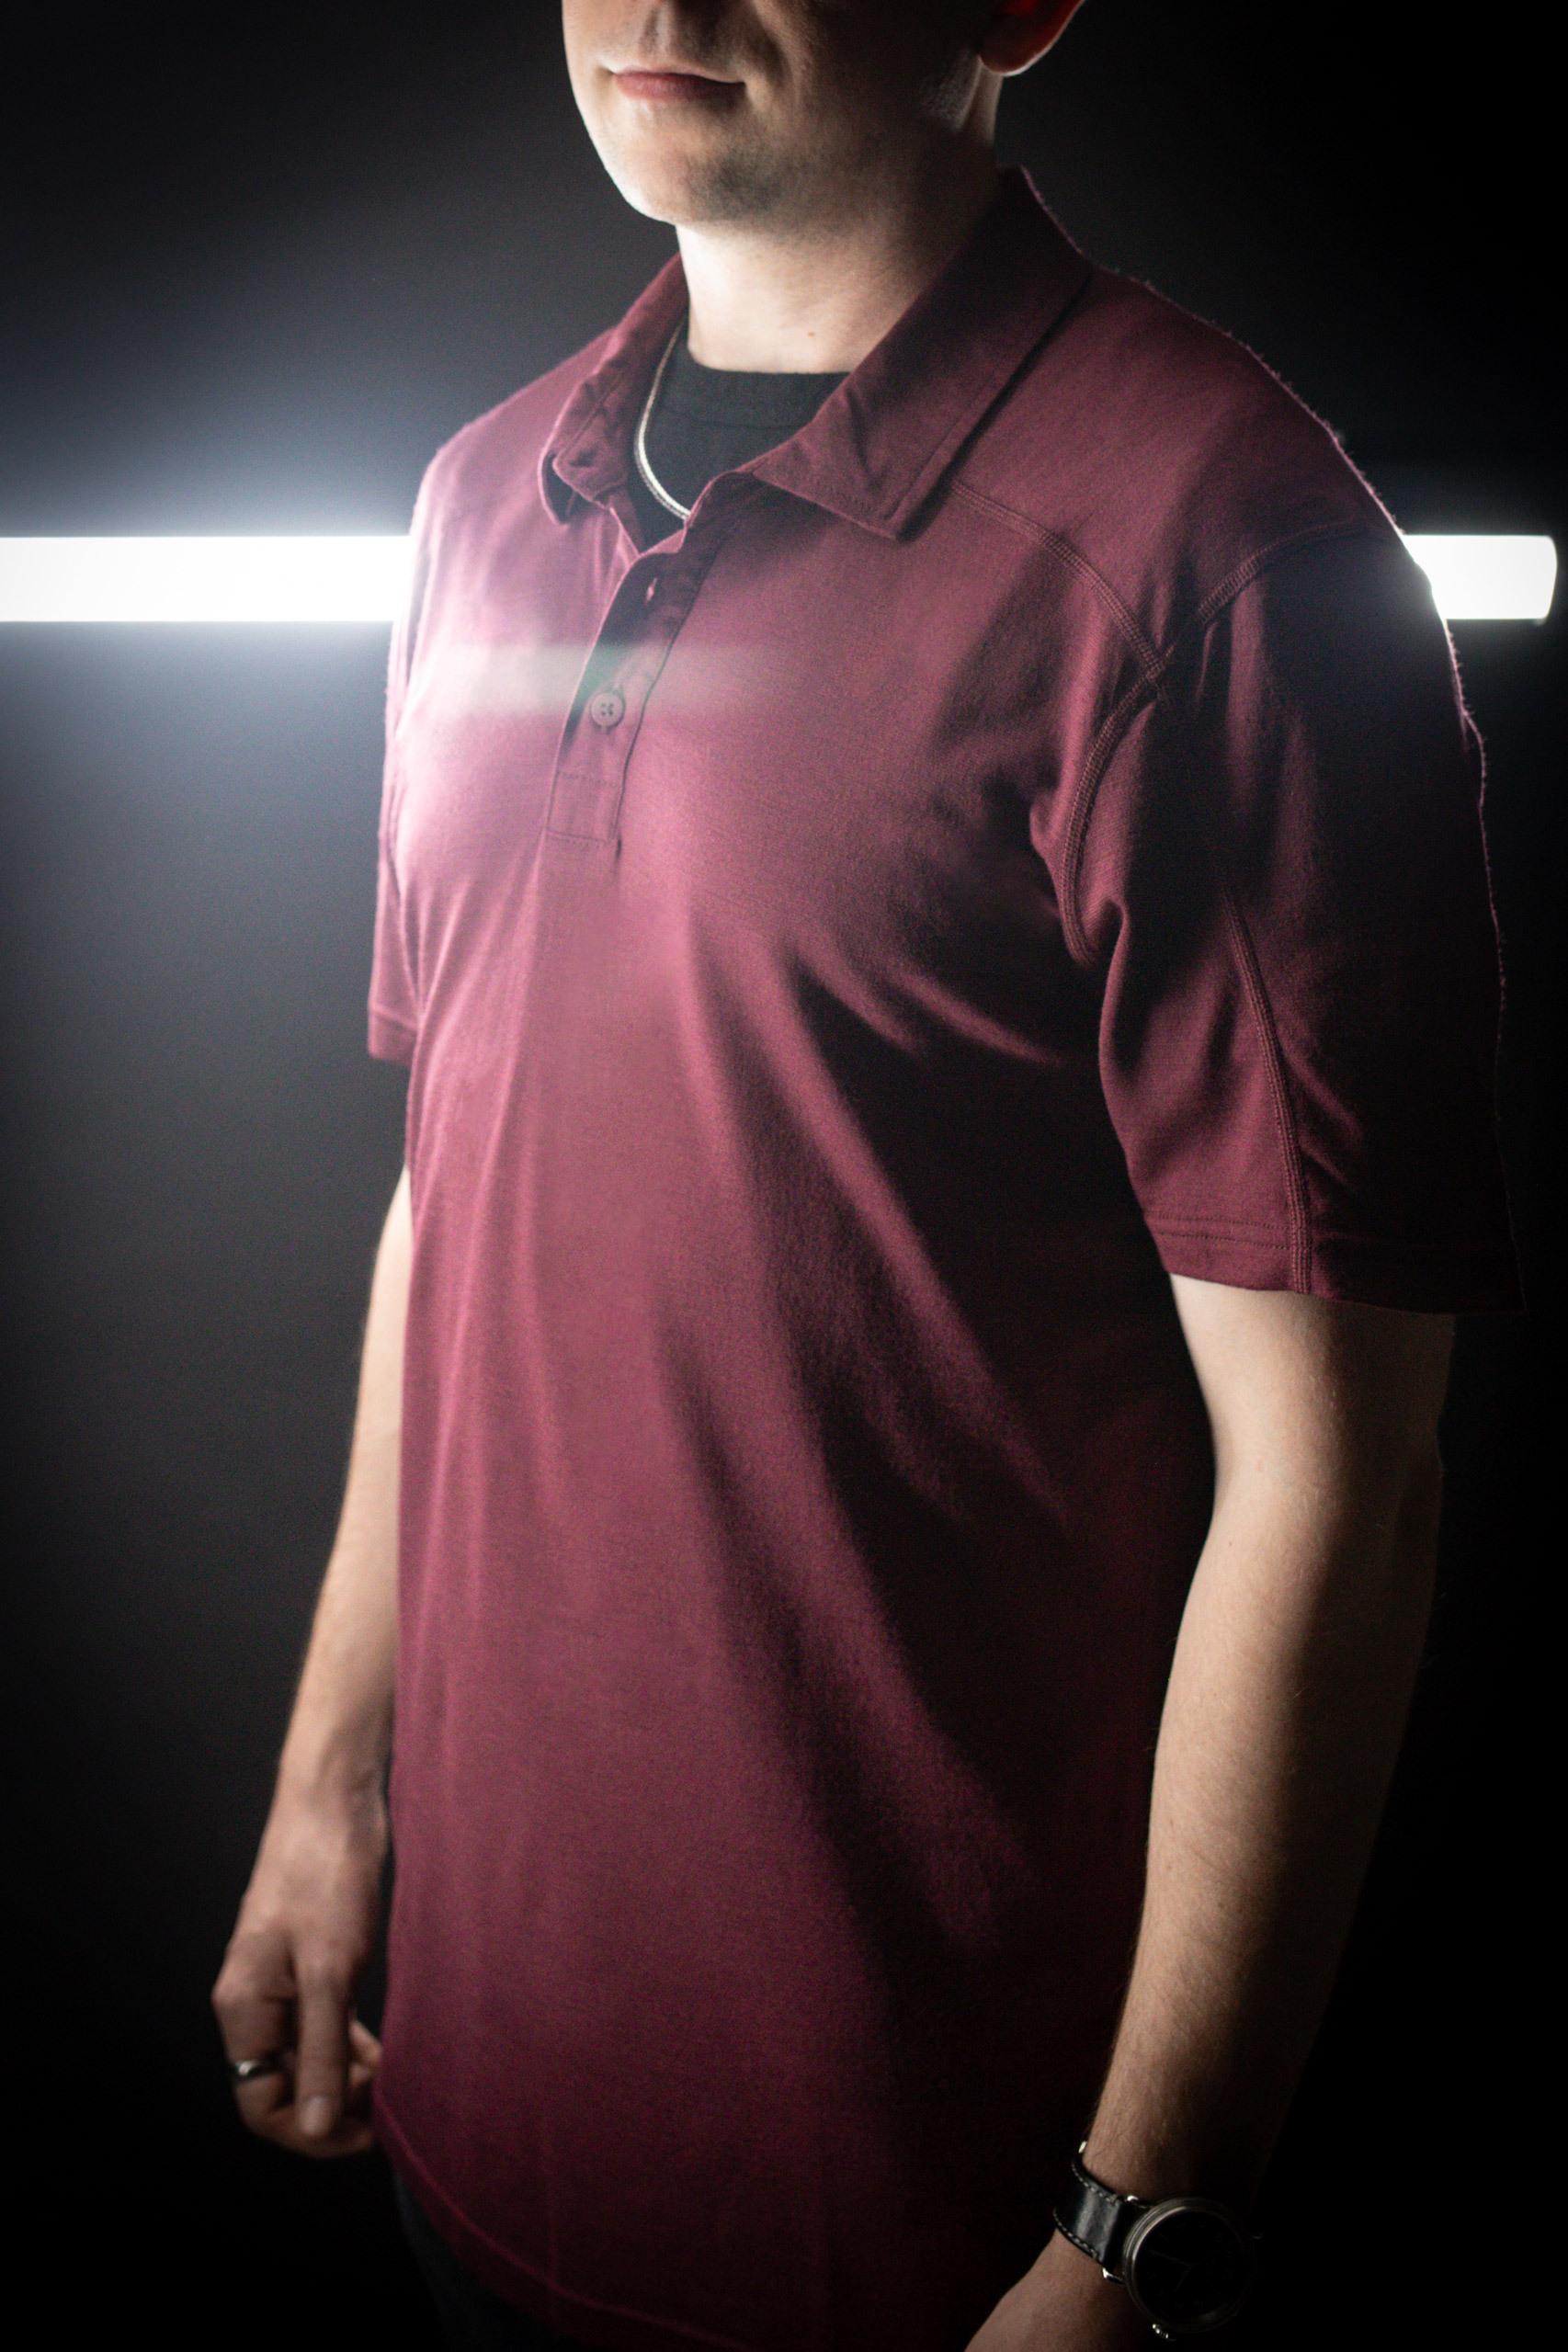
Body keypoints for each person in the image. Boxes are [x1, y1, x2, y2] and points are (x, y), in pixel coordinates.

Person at [210, 4, 1525, 2348]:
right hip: (476, 2102)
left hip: (932, 2224)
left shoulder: (1220, 549)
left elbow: (1343, 1483)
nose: (657, 7)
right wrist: (334, 1787)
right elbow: (462, 1186)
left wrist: (1136, 2227)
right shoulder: (476, 498)